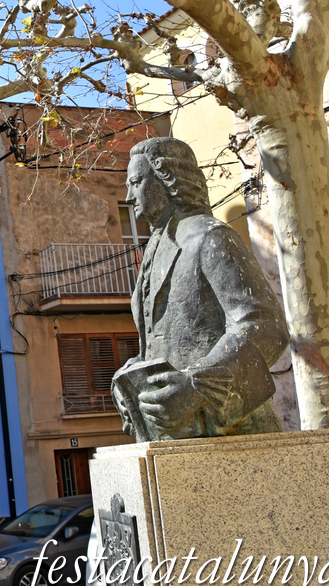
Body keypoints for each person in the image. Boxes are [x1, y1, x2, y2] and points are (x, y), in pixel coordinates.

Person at [115, 137, 288, 440]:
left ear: (168, 180)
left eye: (136, 182)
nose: (129, 196)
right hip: (175, 433)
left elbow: (264, 327)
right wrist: (129, 381)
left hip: (231, 432)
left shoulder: (210, 236)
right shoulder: (155, 248)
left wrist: (197, 386)